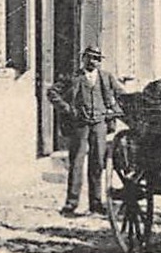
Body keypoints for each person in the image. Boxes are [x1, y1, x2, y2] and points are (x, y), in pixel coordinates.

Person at [48, 45, 124, 217]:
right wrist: (67, 109)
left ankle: (96, 203)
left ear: (100, 61)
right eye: (90, 57)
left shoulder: (106, 77)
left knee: (97, 163)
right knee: (76, 163)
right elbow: (52, 92)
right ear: (83, 59)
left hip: (100, 125)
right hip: (79, 126)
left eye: (97, 58)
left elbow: (121, 94)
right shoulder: (74, 77)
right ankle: (71, 203)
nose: (93, 61)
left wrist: (115, 110)